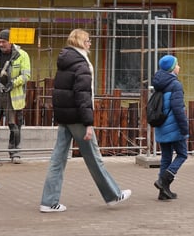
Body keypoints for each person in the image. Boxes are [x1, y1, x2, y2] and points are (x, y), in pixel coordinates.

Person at [39, 29, 131, 212]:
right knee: (94, 159)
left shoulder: (65, 62)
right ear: (81, 42)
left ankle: (48, 202)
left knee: (57, 159)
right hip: (78, 119)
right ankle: (113, 195)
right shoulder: (82, 65)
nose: (90, 43)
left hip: (65, 117)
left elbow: (60, 91)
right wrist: (89, 123)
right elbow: (83, 96)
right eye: (88, 40)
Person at [0, 29, 31, 164]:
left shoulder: (22, 55)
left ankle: (15, 152)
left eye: (3, 41)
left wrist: (13, 83)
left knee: (14, 125)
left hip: (13, 96)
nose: (1, 44)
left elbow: (26, 75)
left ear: (11, 42)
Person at [151, 54, 188, 201]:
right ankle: (163, 181)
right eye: (177, 64)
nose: (179, 67)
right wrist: (184, 128)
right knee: (182, 154)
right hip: (174, 127)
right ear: (172, 68)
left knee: (166, 158)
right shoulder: (175, 85)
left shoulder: (159, 83)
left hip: (161, 126)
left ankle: (163, 191)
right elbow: (178, 109)